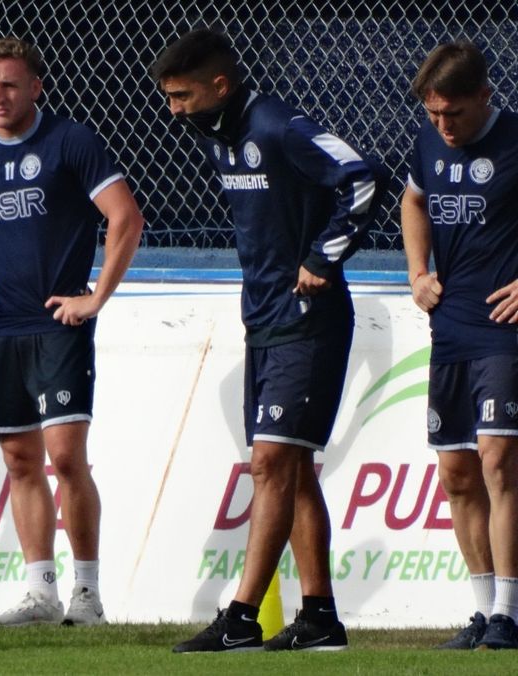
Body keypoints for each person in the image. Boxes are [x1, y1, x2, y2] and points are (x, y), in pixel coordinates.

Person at [152, 29, 385, 652]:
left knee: (270, 464)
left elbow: (362, 177)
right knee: (294, 469)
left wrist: (323, 257)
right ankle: (320, 618)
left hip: (308, 321)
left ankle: (242, 619)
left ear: (220, 85)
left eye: (182, 96)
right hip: (263, 321)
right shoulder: (217, 137)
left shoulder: (279, 126)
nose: (173, 110)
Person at [0, 37, 143, 627]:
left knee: (65, 456)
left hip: (57, 324)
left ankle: (87, 593)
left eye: (8, 84)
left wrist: (95, 297)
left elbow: (125, 217)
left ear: (35, 87)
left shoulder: (70, 141)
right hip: (2, 325)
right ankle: (40, 593)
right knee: (19, 459)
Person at [401, 41, 518, 651]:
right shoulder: (428, 144)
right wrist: (418, 272)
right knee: (457, 472)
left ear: (485, 96)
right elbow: (413, 200)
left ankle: (509, 613)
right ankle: (482, 610)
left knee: (498, 460)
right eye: (433, 113)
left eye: (454, 113)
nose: (443, 125)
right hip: (449, 329)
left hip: (504, 329)